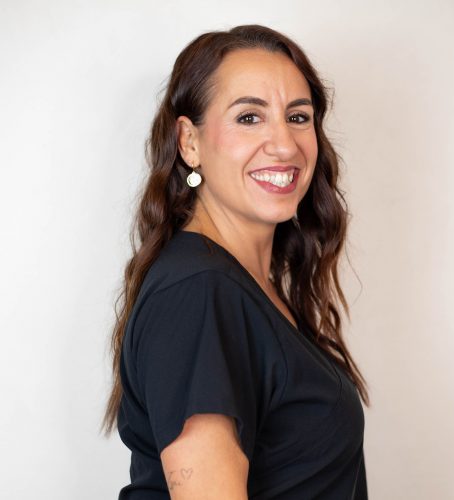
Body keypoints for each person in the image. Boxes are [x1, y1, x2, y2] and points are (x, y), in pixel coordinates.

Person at [103, 24, 370, 499]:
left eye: (298, 116)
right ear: (189, 142)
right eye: (249, 117)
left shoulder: (241, 284)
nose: (285, 144)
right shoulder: (199, 292)